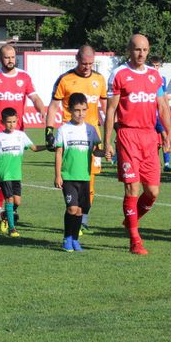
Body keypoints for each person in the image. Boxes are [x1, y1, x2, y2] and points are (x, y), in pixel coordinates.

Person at [104, 34, 171, 255]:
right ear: (129, 50)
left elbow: (163, 107)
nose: (141, 54)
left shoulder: (155, 76)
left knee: (152, 192)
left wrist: (168, 135)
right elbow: (111, 110)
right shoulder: (119, 74)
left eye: (144, 50)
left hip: (149, 137)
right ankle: (135, 240)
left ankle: (131, 220)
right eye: (137, 49)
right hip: (127, 135)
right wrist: (107, 142)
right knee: (132, 187)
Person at [0, 44, 47, 218]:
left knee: (11, 169)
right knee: (5, 167)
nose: (10, 60)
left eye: (13, 57)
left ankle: (0, 205)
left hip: (18, 130)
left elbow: (35, 97)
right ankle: (2, 206)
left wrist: (43, 112)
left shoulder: (24, 77)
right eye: (7, 57)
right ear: (0, 58)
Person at [45, 45, 108, 231]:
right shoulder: (65, 79)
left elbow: (106, 109)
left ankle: (83, 217)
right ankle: (74, 215)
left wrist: (112, 132)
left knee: (90, 178)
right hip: (70, 137)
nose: (87, 67)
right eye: (84, 63)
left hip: (91, 136)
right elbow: (54, 106)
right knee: (71, 176)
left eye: (90, 63)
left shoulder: (99, 79)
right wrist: (49, 130)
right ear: (76, 59)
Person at [0, 107, 45, 237]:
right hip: (5, 175)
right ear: (3, 122)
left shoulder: (21, 135)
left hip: (17, 175)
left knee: (17, 202)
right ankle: (12, 228)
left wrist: (49, 147)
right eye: (9, 122)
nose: (11, 124)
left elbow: (34, 148)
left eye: (14, 121)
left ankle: (6, 215)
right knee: (9, 199)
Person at [54, 93, 105, 252]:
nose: (81, 113)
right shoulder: (63, 129)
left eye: (84, 110)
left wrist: (106, 153)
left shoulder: (90, 130)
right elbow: (58, 153)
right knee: (72, 209)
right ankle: (67, 238)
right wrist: (57, 175)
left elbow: (97, 151)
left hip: (85, 176)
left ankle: (75, 239)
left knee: (81, 211)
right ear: (69, 110)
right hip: (69, 176)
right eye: (77, 110)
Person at [149, 56, 171, 171]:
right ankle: (154, 162)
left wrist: (167, 108)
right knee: (153, 140)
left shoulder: (162, 79)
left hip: (159, 115)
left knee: (165, 136)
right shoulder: (145, 77)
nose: (155, 67)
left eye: (157, 65)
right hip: (149, 114)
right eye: (153, 65)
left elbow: (163, 96)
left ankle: (167, 164)